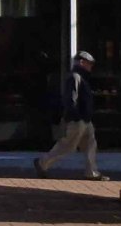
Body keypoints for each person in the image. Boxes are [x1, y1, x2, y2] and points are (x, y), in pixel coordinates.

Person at [35, 50, 106, 180]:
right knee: (68, 146)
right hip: (77, 119)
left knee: (91, 144)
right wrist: (76, 115)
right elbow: (70, 99)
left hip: (85, 119)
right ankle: (42, 162)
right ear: (82, 62)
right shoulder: (75, 77)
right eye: (89, 63)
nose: (91, 67)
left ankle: (92, 172)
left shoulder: (81, 77)